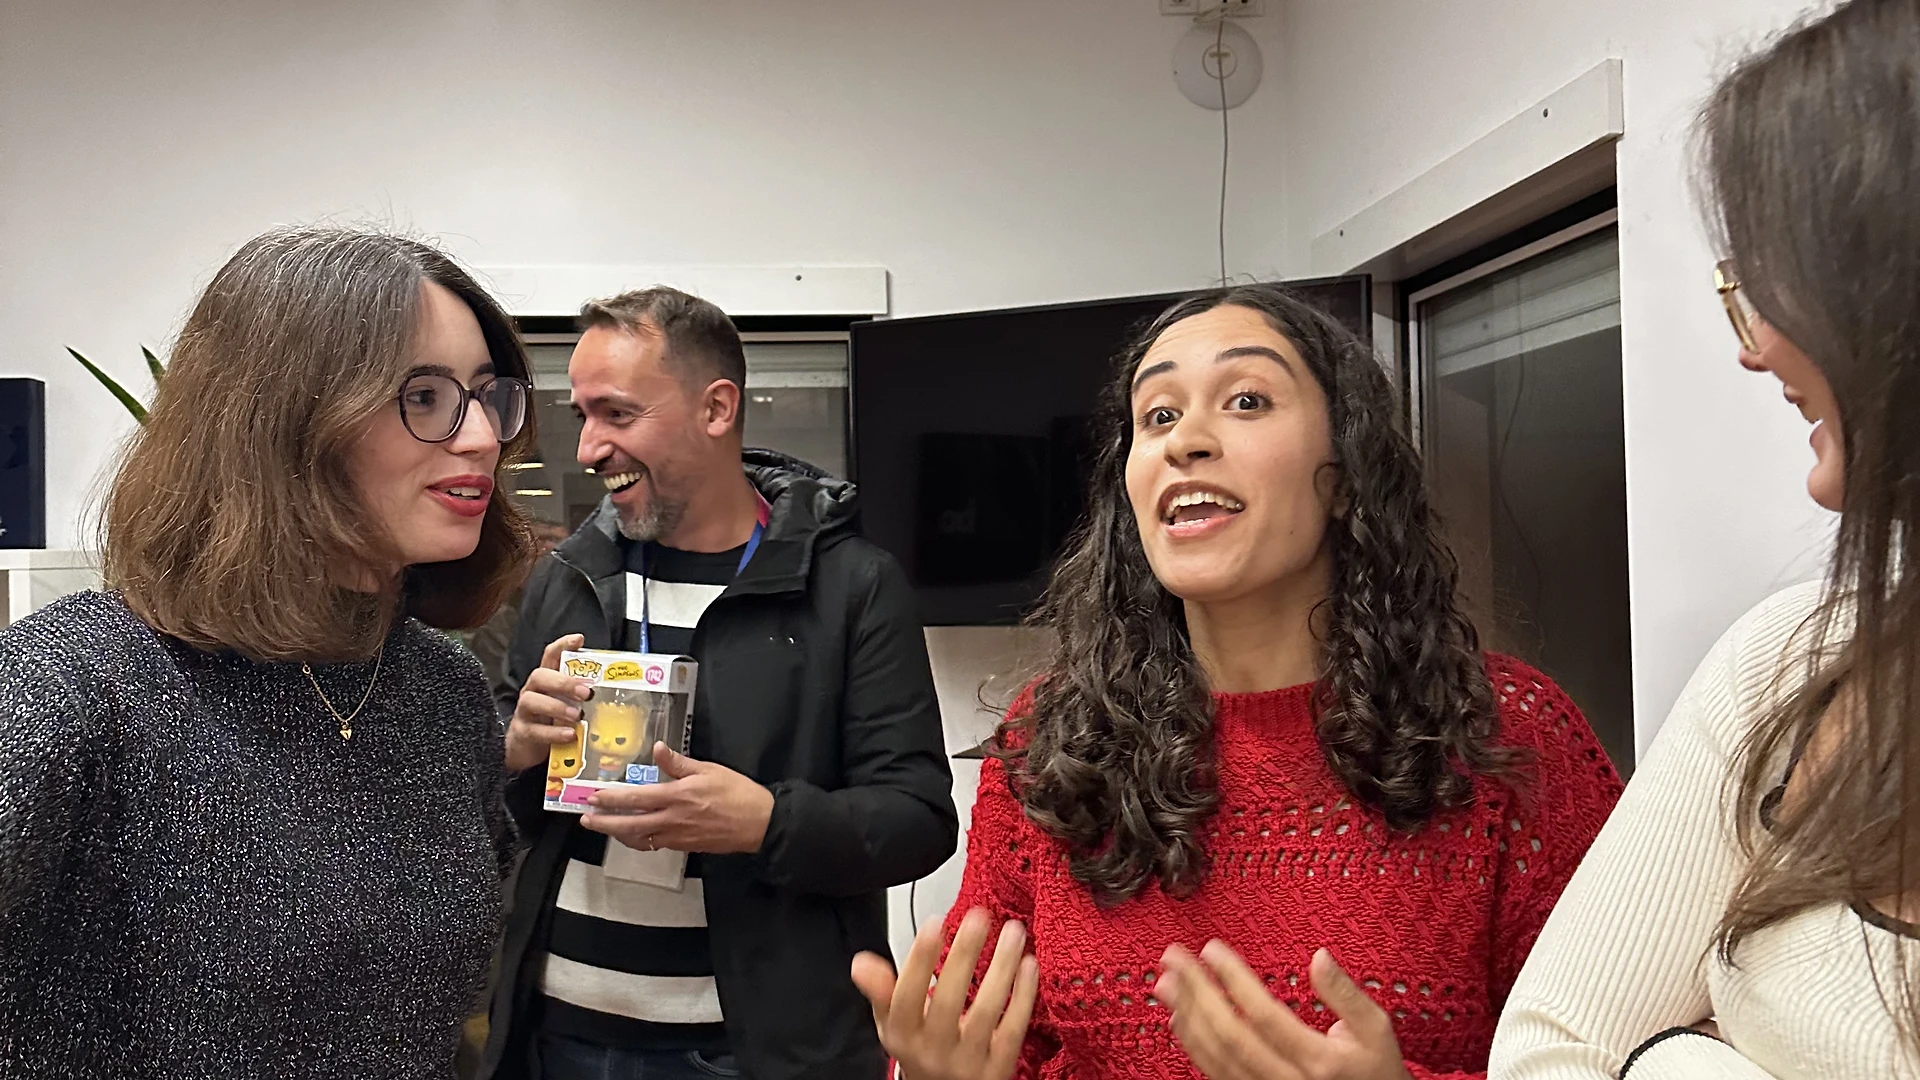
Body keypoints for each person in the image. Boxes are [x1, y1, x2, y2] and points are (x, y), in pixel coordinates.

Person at [852, 283, 1624, 1080]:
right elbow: (1002, 1047)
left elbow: (1611, 1058)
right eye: (1157, 415)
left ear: (1346, 473)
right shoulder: (1053, 738)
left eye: (1247, 400)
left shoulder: (1511, 735)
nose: (1186, 439)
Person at [1490, 3, 1920, 1077]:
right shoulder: (1787, 660)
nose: (1752, 345)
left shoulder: (1512, 724)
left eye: (1780, 274)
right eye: (1156, 417)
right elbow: (1547, 1052)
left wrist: (1676, 1063)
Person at [0, 226, 538, 1077]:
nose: (482, 438)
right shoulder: (71, 686)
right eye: (426, 398)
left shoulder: (442, 690)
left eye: (484, 395)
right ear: (281, 422)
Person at [481, 287, 957, 1080]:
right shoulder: (566, 576)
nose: (590, 447)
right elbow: (509, 807)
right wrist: (515, 746)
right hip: (553, 1034)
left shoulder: (851, 587)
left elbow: (917, 818)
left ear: (716, 409)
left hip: (749, 1050)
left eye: (618, 414)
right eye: (584, 414)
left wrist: (764, 822)